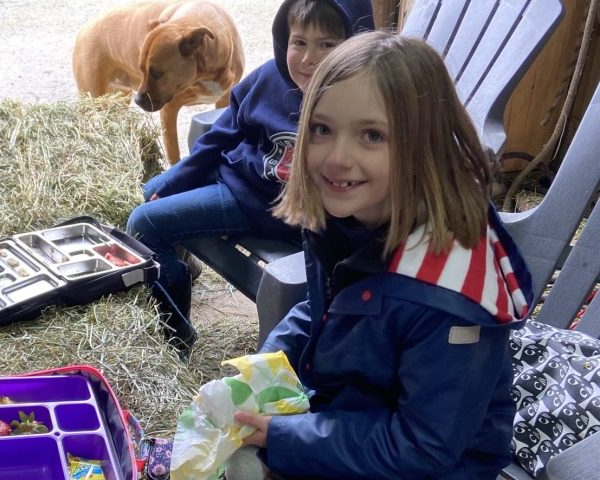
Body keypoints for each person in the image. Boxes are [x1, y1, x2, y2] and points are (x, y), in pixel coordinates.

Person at [227, 30, 535, 479]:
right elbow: (328, 309)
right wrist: (270, 363)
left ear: (422, 145)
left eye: (372, 135)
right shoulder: (352, 217)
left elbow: (423, 449)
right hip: (351, 420)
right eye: (322, 129)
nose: (336, 157)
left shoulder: (449, 298)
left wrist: (285, 438)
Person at [125, 0, 374, 356]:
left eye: (327, 45)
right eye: (298, 42)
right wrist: (171, 181)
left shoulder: (362, 107)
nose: (308, 59)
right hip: (243, 194)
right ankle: (175, 330)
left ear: (354, 44)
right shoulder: (267, 80)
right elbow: (219, 135)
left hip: (306, 225)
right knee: (143, 216)